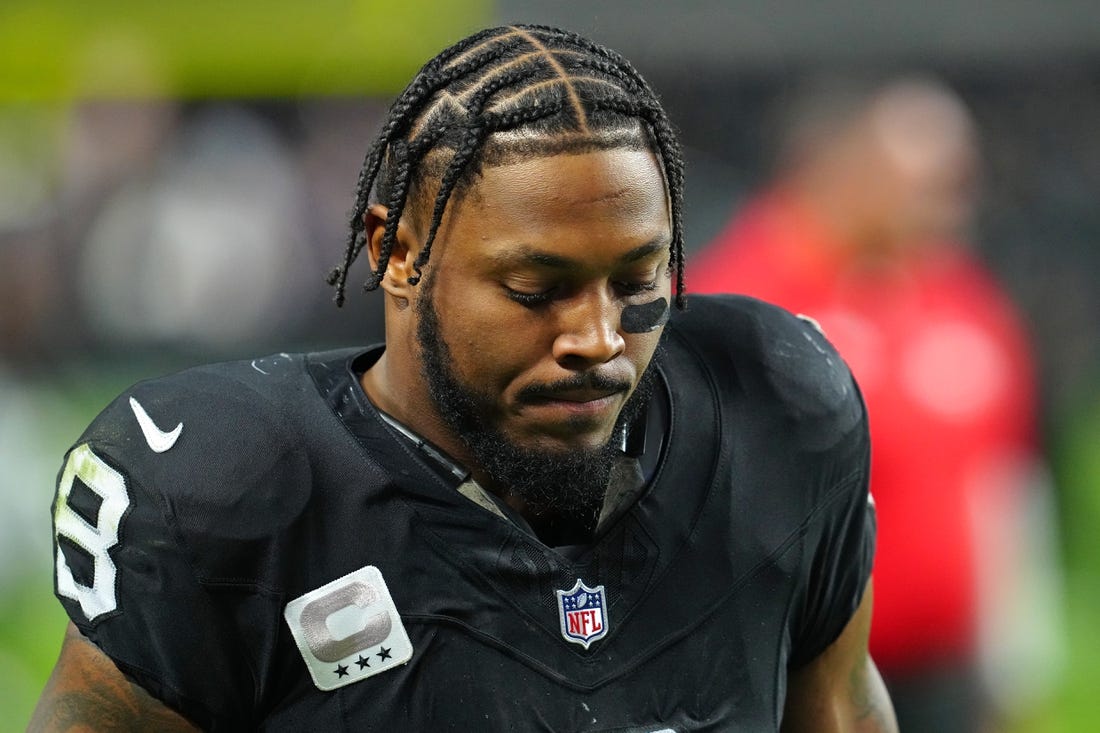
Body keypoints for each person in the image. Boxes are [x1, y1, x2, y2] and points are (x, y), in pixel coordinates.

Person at [31, 25, 896, 731]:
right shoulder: (231, 488)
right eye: (537, 289)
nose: (601, 338)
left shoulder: (775, 406)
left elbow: (845, 709)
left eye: (638, 281)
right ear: (396, 253)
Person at [688, 77, 1059, 731]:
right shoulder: (745, 301)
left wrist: (1014, 660)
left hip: (945, 676)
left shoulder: (963, 300)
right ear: (848, 172)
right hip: (800, 677)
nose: (954, 202)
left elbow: (1002, 484)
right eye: (929, 181)